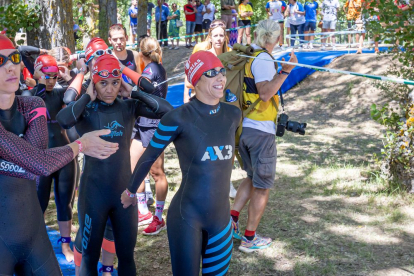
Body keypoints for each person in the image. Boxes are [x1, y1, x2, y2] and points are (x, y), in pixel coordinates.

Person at [0, 34, 118, 276]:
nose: (10, 66)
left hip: (34, 238)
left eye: (13, 58)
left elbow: (35, 161)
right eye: (0, 62)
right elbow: (40, 164)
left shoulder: (32, 105)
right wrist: (81, 145)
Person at [121, 50, 241, 276]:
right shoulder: (177, 118)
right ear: (195, 79)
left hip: (221, 220)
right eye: (211, 73)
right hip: (187, 217)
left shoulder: (233, 115)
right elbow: (148, 157)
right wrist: (129, 191)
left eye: (222, 72)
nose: (220, 78)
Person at [57, 54, 173, 275]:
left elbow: (167, 111)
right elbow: (63, 119)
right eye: (103, 83)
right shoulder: (86, 109)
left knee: (127, 257)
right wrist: (86, 97)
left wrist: (135, 92)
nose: (110, 89)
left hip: (123, 196)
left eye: (114, 82)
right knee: (90, 257)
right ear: (94, 83)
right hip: (93, 194)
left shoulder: (128, 107)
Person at [230, 19, 297, 253]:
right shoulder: (264, 59)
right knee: (262, 185)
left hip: (246, 127)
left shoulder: (252, 55)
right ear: (277, 38)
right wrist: (286, 71)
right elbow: (266, 93)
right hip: (260, 130)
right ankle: (249, 239)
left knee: (251, 176)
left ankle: (232, 219)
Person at [24, 54, 78, 263]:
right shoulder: (28, 95)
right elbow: (34, 96)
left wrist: (71, 73)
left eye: (54, 76)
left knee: (65, 203)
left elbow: (80, 91)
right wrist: (37, 79)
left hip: (64, 155)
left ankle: (65, 245)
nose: (51, 80)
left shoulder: (60, 94)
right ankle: (33, 245)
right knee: (38, 204)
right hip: (41, 159)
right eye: (47, 75)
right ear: (37, 74)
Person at [129, 37, 170, 235]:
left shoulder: (152, 69)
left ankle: (159, 217)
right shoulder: (153, 68)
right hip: (142, 123)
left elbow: (143, 89)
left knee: (157, 173)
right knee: (134, 167)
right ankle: (143, 211)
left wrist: (122, 71)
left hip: (153, 126)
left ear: (141, 53)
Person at [184, 19, 229, 103]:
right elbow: (188, 78)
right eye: (215, 36)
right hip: (201, 99)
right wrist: (186, 95)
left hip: (221, 100)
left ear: (225, 37)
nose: (218, 39)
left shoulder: (230, 55)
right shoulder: (201, 53)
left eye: (221, 35)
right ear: (210, 38)